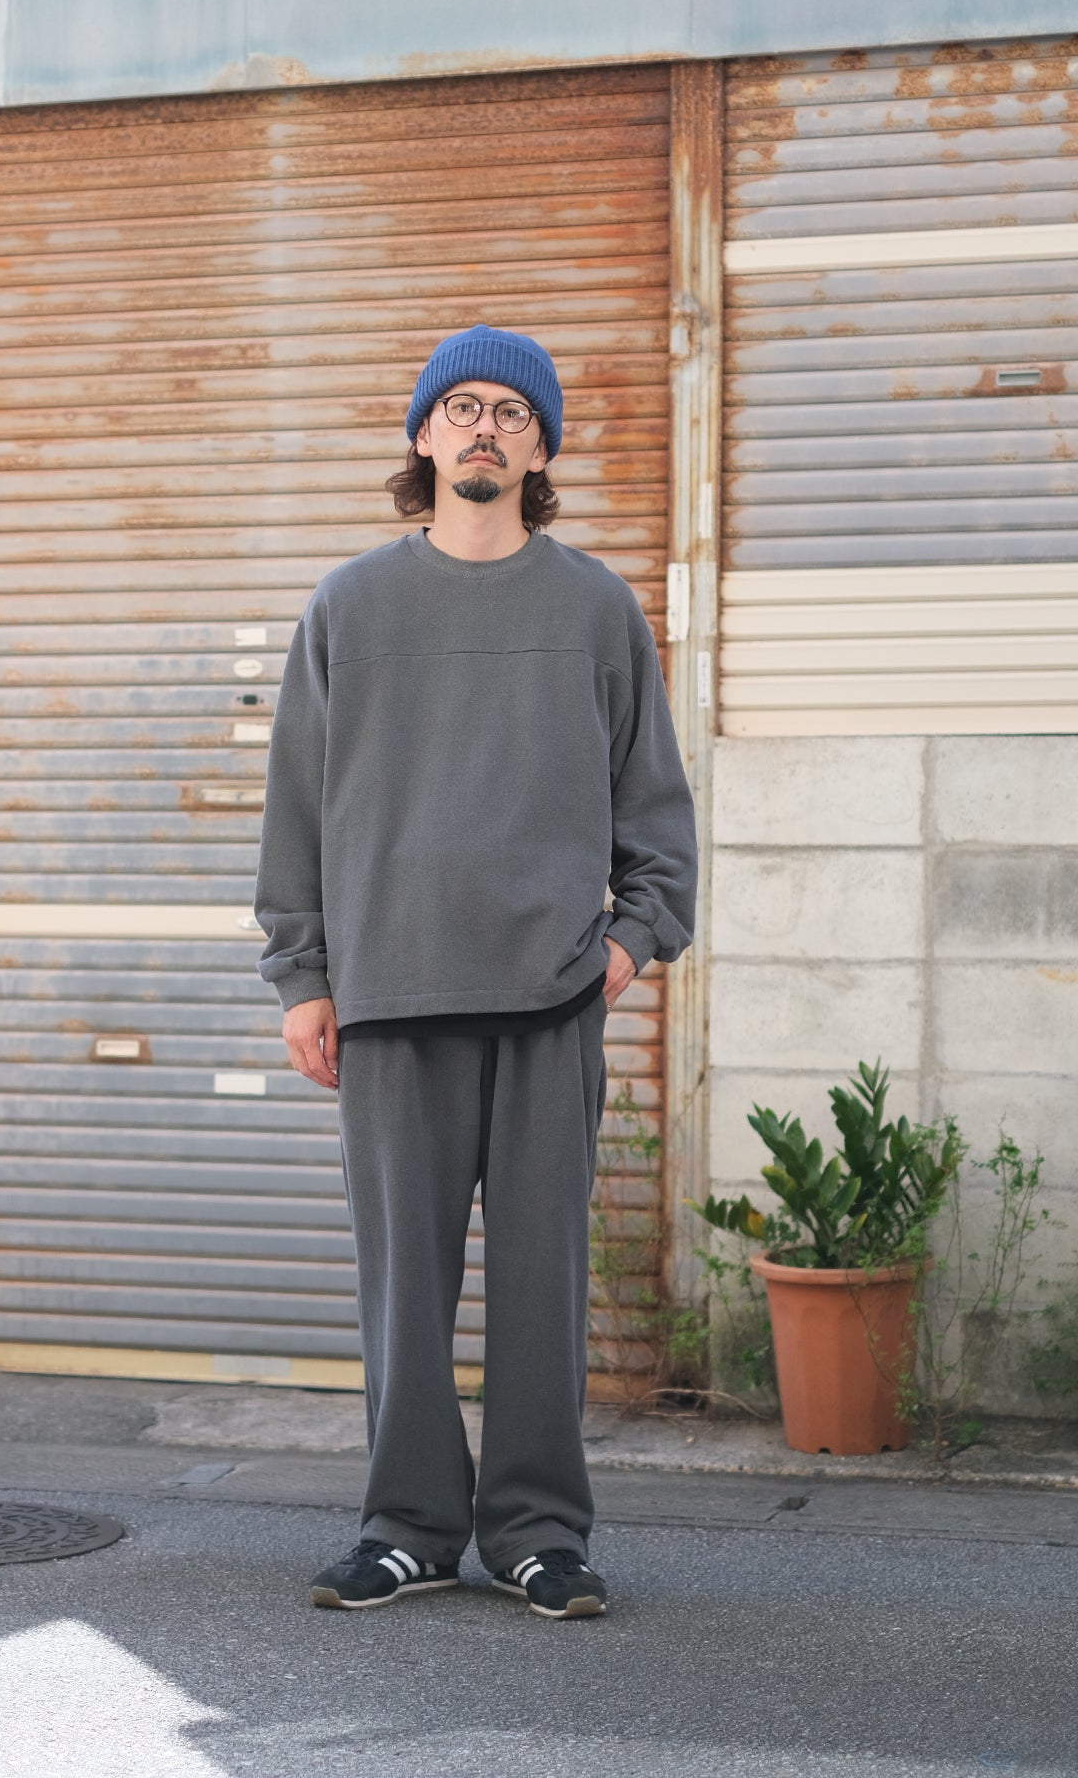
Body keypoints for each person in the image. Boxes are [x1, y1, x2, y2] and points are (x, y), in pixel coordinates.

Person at [253, 324, 697, 1619]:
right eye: (461, 408)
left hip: (550, 998)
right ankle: (407, 1526)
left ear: (542, 448)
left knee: (544, 1288)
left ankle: (538, 1533)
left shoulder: (596, 610)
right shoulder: (349, 607)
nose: (485, 427)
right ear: (423, 438)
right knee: (403, 1289)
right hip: (390, 996)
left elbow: (655, 813)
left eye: (512, 409)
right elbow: (295, 810)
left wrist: (628, 943)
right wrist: (303, 976)